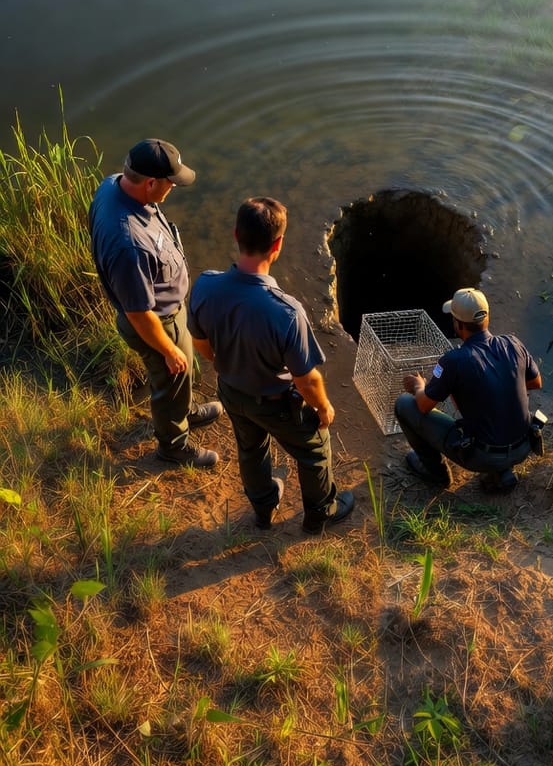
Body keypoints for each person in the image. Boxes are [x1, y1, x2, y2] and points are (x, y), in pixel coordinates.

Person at [187, 196, 355, 533]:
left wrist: (226, 362)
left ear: (236, 234)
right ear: (277, 246)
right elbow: (307, 379)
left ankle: (263, 510)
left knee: (250, 449)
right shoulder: (287, 312)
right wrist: (323, 407)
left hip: (231, 392)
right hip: (277, 404)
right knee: (315, 451)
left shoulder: (205, 285)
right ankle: (320, 514)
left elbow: (200, 342)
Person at [89, 138, 222, 468]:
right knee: (170, 377)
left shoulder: (113, 184)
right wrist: (168, 350)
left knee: (181, 374)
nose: (174, 187)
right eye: (170, 182)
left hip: (168, 313)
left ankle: (187, 410)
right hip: (156, 323)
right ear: (150, 183)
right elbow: (138, 313)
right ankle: (173, 446)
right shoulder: (128, 244)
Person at [394, 288, 543, 493]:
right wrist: (498, 387)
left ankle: (435, 472)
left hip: (483, 456)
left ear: (458, 324)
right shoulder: (513, 343)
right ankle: (502, 472)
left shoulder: (454, 361)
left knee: (404, 404)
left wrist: (419, 385)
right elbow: (536, 382)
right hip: (524, 446)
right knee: (497, 416)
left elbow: (424, 405)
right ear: (487, 317)